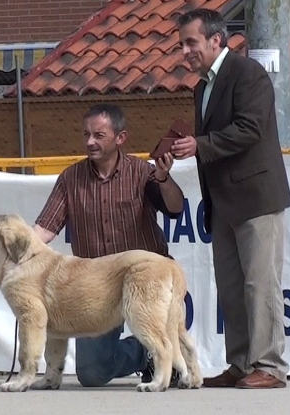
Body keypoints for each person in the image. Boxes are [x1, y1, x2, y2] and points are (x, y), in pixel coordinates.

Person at [173, 8, 290, 389]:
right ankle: (241, 364)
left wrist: (199, 144)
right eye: (182, 45)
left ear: (216, 40)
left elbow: (250, 128)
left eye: (191, 42)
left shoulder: (247, 74)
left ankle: (269, 366)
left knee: (261, 285)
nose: (185, 52)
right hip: (222, 203)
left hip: (256, 198)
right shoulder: (201, 87)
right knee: (231, 288)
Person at [32, 103, 185, 387]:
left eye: (99, 135)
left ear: (120, 137)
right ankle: (145, 354)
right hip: (95, 288)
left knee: (155, 325)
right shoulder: (70, 178)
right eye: (86, 134)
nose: (90, 142)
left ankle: (161, 349)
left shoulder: (143, 172)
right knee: (91, 373)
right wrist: (17, 248)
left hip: (144, 281)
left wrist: (163, 179)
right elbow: (45, 229)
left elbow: (175, 208)